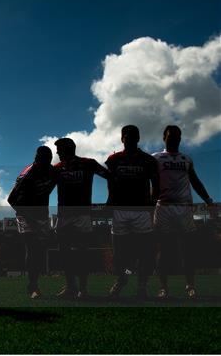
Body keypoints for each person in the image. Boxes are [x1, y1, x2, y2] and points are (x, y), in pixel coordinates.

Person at [152, 125, 217, 300]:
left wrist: (209, 201)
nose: (174, 139)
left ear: (180, 138)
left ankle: (190, 286)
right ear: (164, 138)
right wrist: (148, 204)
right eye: (170, 136)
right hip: (163, 207)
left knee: (187, 249)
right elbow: (151, 183)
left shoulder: (186, 159)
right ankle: (163, 288)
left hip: (184, 208)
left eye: (177, 136)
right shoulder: (156, 158)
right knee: (163, 250)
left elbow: (195, 181)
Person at [105, 125, 159, 299]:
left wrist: (151, 204)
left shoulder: (148, 160)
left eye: (133, 135)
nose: (129, 138)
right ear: (122, 138)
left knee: (143, 252)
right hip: (120, 211)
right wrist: (110, 203)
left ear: (138, 138)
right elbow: (111, 184)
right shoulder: (114, 159)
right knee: (121, 254)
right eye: (126, 135)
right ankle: (123, 278)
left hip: (141, 211)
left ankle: (142, 285)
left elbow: (156, 184)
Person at [53, 138, 109, 299]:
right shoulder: (56, 168)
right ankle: (71, 287)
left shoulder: (88, 163)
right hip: (63, 216)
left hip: (82, 216)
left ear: (67, 149)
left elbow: (110, 176)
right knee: (64, 253)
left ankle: (83, 289)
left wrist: (110, 201)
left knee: (82, 252)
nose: (57, 153)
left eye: (59, 150)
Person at [8, 146, 56, 299]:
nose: (45, 164)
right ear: (37, 159)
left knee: (40, 250)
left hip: (41, 215)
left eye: (48, 161)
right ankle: (33, 286)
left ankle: (34, 283)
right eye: (42, 161)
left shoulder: (53, 171)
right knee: (32, 246)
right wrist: (30, 218)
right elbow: (11, 199)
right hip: (25, 213)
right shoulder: (27, 174)